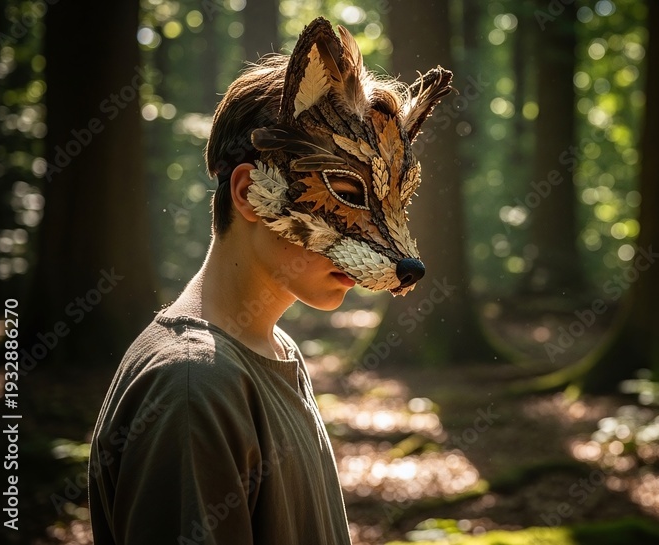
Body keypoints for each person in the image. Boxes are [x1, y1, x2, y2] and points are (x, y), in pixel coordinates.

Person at [88, 14, 453, 544]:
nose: (396, 250)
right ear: (247, 192)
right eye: (348, 195)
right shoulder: (194, 386)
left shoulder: (273, 350)